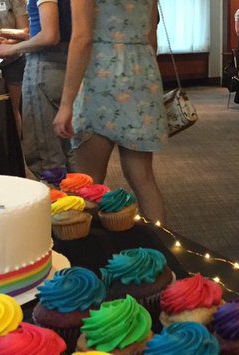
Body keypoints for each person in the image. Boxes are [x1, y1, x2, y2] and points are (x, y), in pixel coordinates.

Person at [53, 0, 168, 223]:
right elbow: (151, 35)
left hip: (101, 75)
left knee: (88, 182)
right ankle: (161, 251)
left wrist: (66, 104)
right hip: (141, 74)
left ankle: (90, 252)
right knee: (143, 178)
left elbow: (82, 38)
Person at [0, 0, 73, 178]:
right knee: (71, 150)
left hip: (46, 68)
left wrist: (13, 49)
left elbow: (50, 36)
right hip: (69, 65)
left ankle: (63, 203)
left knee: (46, 158)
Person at [0, 0, 28, 138]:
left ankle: (15, 155)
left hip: (12, 60)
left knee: (12, 110)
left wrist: (9, 44)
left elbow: (25, 31)